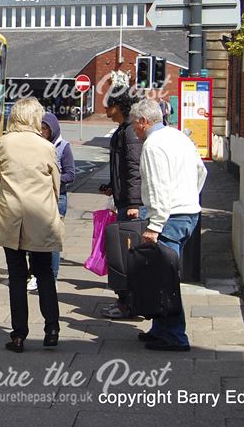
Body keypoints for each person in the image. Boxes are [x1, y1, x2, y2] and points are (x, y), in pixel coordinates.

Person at [131, 97, 207, 352]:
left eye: (134, 123)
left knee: (166, 280)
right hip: (188, 213)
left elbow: (158, 188)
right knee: (163, 276)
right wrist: (190, 197)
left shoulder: (153, 145)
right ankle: (161, 329)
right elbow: (201, 172)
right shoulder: (179, 137)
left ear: (144, 121)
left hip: (170, 218)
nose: (133, 129)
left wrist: (155, 225)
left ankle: (175, 336)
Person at [0, 97, 63, 352]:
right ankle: (52, 329)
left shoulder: (3, 143)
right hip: (40, 218)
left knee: (16, 277)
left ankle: (18, 335)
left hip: (12, 218)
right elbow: (56, 185)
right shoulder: (46, 146)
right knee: (44, 274)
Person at [100, 92, 147, 319]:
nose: (105, 109)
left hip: (130, 205)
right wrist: (112, 186)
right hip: (123, 200)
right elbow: (122, 169)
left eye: (108, 105)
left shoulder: (129, 132)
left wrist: (134, 203)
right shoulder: (122, 130)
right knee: (121, 255)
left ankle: (127, 304)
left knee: (126, 257)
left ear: (118, 106)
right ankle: (125, 302)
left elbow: (134, 169)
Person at [40, 112, 74, 283]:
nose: (42, 132)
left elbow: (71, 174)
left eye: (45, 129)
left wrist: (53, 178)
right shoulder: (38, 146)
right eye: (40, 128)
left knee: (53, 241)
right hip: (40, 198)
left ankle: (52, 277)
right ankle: (38, 274)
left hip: (57, 198)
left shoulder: (63, 147)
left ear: (52, 129)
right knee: (37, 238)